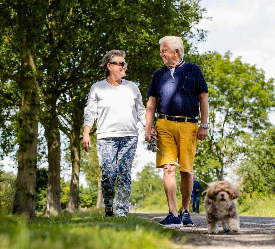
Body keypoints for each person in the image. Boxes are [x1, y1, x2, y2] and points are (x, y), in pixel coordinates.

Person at [145, 36, 209, 227]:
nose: (161, 54)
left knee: (186, 170)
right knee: (168, 167)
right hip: (164, 124)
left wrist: (204, 125)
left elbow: (203, 98)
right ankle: (172, 213)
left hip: (189, 125)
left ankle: (185, 212)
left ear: (176, 52)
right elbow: (151, 103)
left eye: (164, 50)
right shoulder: (158, 74)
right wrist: (148, 128)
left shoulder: (193, 70)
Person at [83, 50, 146, 218]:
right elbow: (90, 112)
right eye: (120, 63)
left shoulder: (132, 87)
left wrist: (148, 127)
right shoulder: (97, 88)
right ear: (109, 66)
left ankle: (123, 212)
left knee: (124, 173)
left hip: (129, 136)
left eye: (125, 63)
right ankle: (109, 204)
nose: (124, 66)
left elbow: (141, 111)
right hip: (106, 137)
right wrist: (86, 133)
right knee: (108, 173)